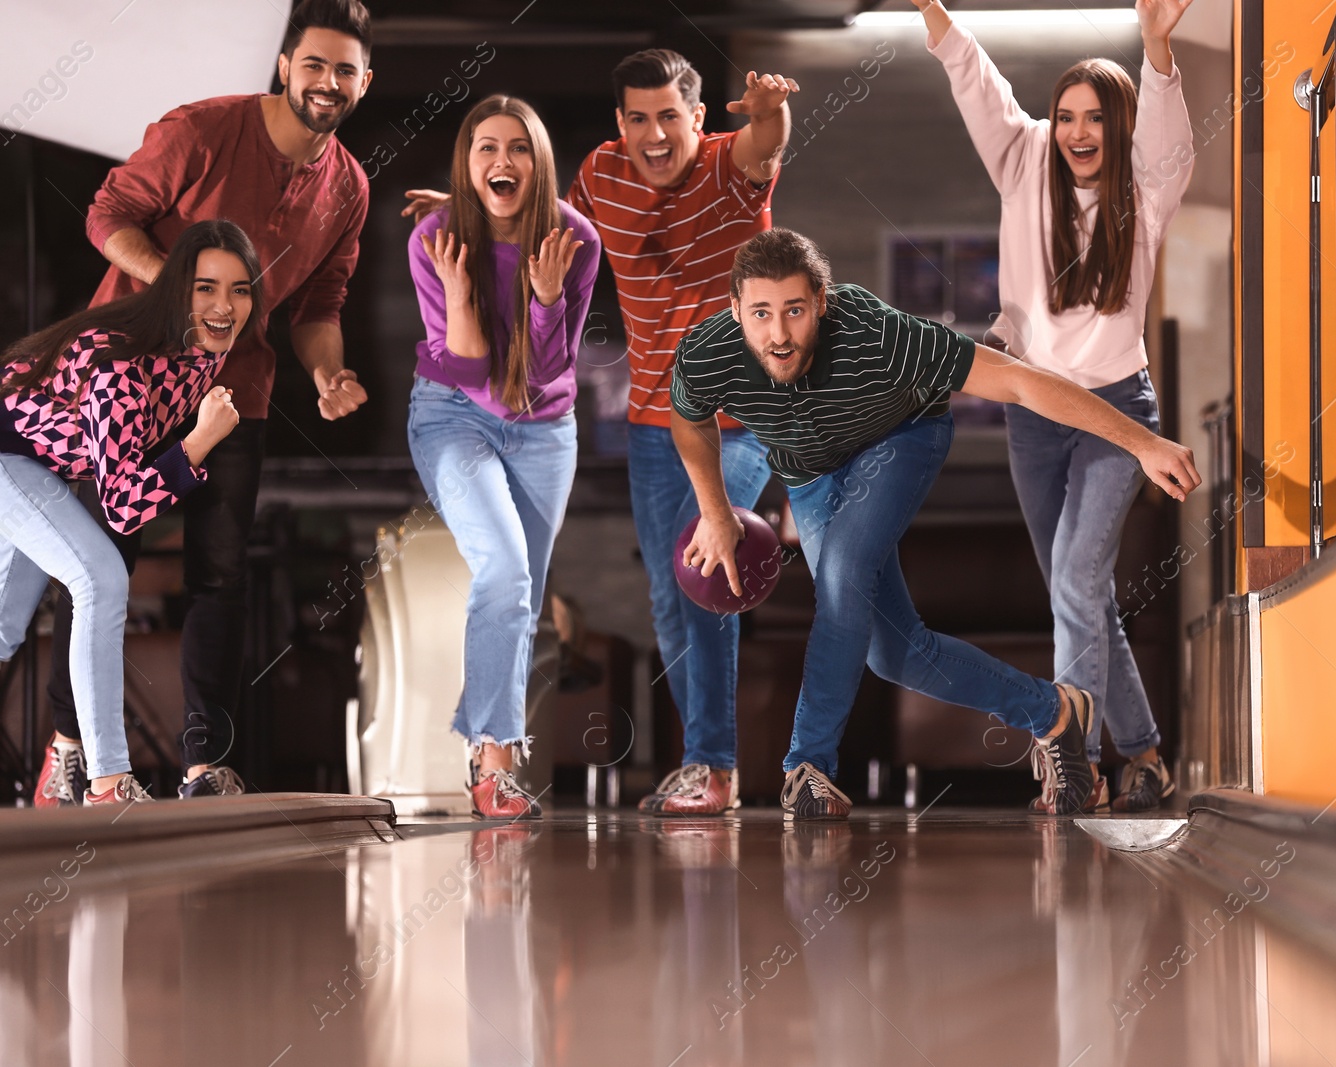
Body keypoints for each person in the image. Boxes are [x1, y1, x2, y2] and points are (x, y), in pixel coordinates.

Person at [670, 228, 1199, 820]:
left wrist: (1142, 441)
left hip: (900, 440)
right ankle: (1054, 712)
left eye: (794, 310)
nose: (778, 333)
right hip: (812, 475)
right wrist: (714, 512)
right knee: (893, 655)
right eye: (761, 313)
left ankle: (807, 768)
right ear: (735, 308)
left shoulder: (880, 335)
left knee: (843, 576)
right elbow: (689, 420)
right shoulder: (708, 353)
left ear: (821, 300)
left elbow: (1020, 382)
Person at [405, 50, 801, 815]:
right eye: (639, 118)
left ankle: (714, 766)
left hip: (738, 419)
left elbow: (765, 145)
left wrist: (768, 111)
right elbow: (534, 206)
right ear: (621, 123)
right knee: (668, 591)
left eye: (670, 117)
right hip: (654, 422)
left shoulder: (728, 166)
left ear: (696, 117)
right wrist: (466, 205)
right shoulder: (602, 176)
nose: (656, 135)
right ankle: (697, 764)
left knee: (706, 570)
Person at [33, 0, 374, 807]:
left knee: (220, 576)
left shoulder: (349, 186)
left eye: (346, 71)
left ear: (366, 81)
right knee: (100, 566)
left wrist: (328, 373)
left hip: (236, 393)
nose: (328, 83)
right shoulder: (201, 130)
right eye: (315, 64)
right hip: (133, 380)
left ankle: (201, 767)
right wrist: (184, 299)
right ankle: (68, 748)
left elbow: (320, 305)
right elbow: (108, 215)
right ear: (286, 65)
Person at [914, 0, 1196, 812]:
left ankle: (1077, 763)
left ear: (1119, 128)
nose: (1077, 130)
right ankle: (1142, 750)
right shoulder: (1023, 159)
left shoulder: (1149, 184)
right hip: (1034, 415)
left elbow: (1170, 137)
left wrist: (1154, 45)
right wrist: (934, 14)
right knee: (1078, 592)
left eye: (1095, 118)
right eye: (1066, 114)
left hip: (1117, 414)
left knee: (1075, 583)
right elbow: (976, 82)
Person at [1, 221, 256, 805]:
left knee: (4, 627)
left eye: (240, 290)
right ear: (174, 289)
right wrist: (199, 442)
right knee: (100, 577)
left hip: (37, 466)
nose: (224, 306)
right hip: (8, 458)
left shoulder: (198, 352)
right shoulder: (123, 365)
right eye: (206, 288)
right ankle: (109, 782)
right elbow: (121, 507)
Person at [407, 96, 601, 820]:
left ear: (538, 161)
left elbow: (549, 370)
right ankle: (495, 762)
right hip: (453, 416)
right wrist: (461, 292)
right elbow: (464, 372)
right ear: (467, 162)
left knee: (522, 597)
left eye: (518, 147)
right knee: (506, 570)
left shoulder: (575, 237)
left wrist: (546, 296)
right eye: (485, 147)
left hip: (544, 428)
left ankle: (487, 744)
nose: (501, 161)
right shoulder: (433, 237)